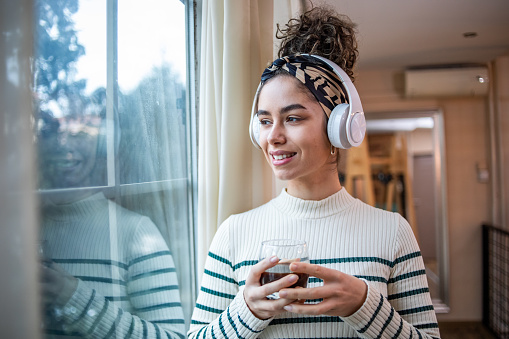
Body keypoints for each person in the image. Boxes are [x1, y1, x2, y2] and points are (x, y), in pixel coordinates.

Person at [188, 6, 440, 339]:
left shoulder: (393, 232)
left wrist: (363, 306)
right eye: (265, 121)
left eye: (292, 118)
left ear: (340, 128)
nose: (273, 136)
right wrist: (246, 312)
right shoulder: (233, 234)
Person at [37, 95, 186, 338]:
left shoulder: (137, 234)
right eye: (55, 131)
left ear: (103, 146)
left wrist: (72, 296)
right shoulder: (17, 230)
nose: (64, 145)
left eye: (80, 134)